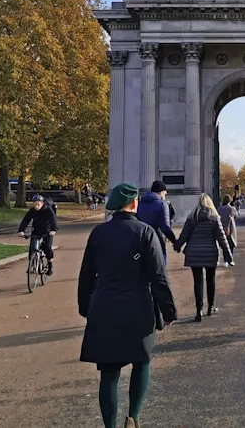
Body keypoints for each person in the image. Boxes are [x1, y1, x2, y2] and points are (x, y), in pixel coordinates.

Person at [78, 182, 177, 428]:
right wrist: (168, 310)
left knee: (109, 373)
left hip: (104, 306)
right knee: (141, 361)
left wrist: (85, 306)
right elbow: (158, 276)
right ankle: (132, 418)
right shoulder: (145, 232)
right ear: (134, 203)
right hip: (138, 306)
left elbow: (86, 275)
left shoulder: (98, 233)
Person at [174, 193, 233, 322]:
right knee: (211, 280)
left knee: (198, 282)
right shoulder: (214, 217)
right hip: (210, 252)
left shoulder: (192, 217)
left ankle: (198, 310)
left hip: (194, 253)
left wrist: (177, 246)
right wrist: (228, 255)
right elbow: (221, 238)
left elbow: (184, 235)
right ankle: (210, 307)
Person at [18, 194, 58, 276]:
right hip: (36, 229)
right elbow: (26, 220)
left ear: (42, 203)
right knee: (32, 247)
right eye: (35, 204)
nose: (36, 206)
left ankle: (50, 265)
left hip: (48, 230)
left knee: (47, 247)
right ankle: (32, 265)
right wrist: (21, 230)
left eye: (38, 204)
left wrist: (53, 230)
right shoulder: (32, 211)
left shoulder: (48, 210)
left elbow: (53, 220)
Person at [137, 181, 177, 262]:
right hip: (157, 237)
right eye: (165, 191)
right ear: (160, 192)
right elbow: (165, 227)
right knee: (160, 261)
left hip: (141, 238)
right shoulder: (162, 204)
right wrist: (175, 241)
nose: (166, 193)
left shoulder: (139, 203)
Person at [217, 194, 238, 265]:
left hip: (222, 228)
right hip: (230, 228)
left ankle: (225, 261)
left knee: (224, 245)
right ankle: (230, 260)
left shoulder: (219, 208)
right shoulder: (232, 208)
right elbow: (236, 216)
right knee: (231, 244)